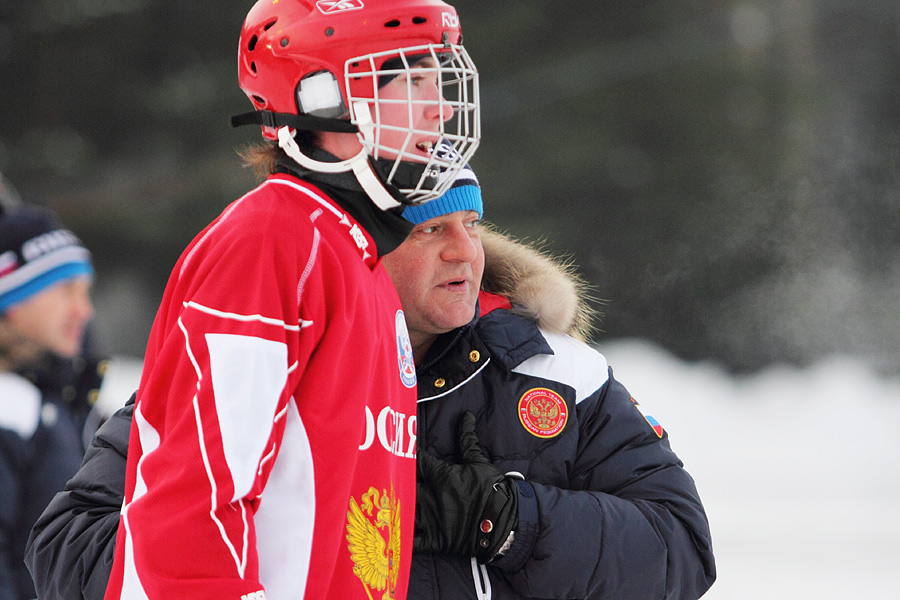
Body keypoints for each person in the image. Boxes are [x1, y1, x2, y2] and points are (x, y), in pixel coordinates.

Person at [27, 165, 716, 599]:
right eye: (429, 229)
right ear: (360, 248)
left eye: (472, 225)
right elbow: (66, 543)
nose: (463, 251)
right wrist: (268, 531)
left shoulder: (555, 375)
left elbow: (681, 550)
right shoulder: (246, 359)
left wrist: (508, 520)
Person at [25, 0, 481, 598]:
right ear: (325, 98)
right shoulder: (275, 238)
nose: (441, 106)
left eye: (439, 80)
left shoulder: (356, 253)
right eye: (413, 82)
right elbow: (193, 496)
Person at [0, 203, 96, 600]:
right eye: (65, 290)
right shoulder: (11, 408)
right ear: (12, 299)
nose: (83, 310)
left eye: (86, 292)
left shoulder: (62, 399)